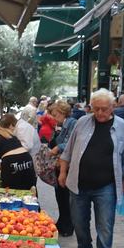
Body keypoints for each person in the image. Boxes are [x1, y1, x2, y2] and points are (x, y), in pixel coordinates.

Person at [59, 89, 124, 248]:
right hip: (78, 183)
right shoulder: (82, 123)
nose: (99, 113)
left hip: (106, 185)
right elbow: (68, 150)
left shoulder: (123, 127)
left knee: (105, 225)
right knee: (79, 222)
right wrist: (63, 172)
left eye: (104, 109)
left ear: (113, 107)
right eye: (96, 108)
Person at [0, 114, 36, 190]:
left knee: (11, 193)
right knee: (30, 191)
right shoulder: (7, 132)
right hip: (27, 159)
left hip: (12, 164)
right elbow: (11, 152)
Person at [48, 100, 77, 237]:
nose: (54, 118)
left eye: (55, 115)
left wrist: (57, 147)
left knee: (65, 196)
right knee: (59, 195)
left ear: (62, 112)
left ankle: (68, 225)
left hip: (67, 165)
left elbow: (71, 142)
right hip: (59, 163)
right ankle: (62, 221)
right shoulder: (62, 125)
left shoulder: (71, 123)